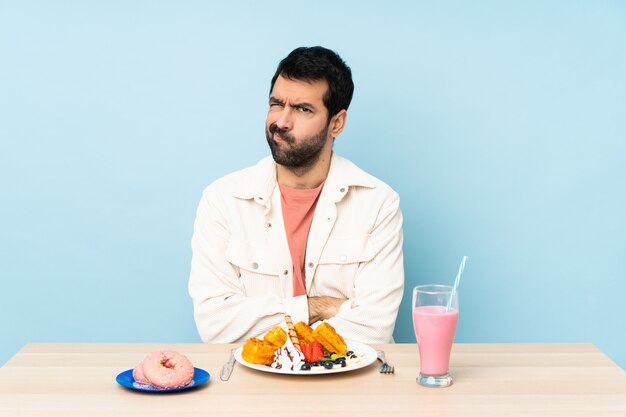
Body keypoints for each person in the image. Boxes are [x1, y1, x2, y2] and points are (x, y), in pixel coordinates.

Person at [188, 46, 404, 344]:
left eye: (303, 109)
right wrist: (318, 307)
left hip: (350, 382)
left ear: (337, 123)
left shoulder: (378, 203)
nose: (281, 121)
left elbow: (374, 329)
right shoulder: (222, 200)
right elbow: (215, 326)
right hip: (254, 383)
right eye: (276, 104)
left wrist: (265, 325)